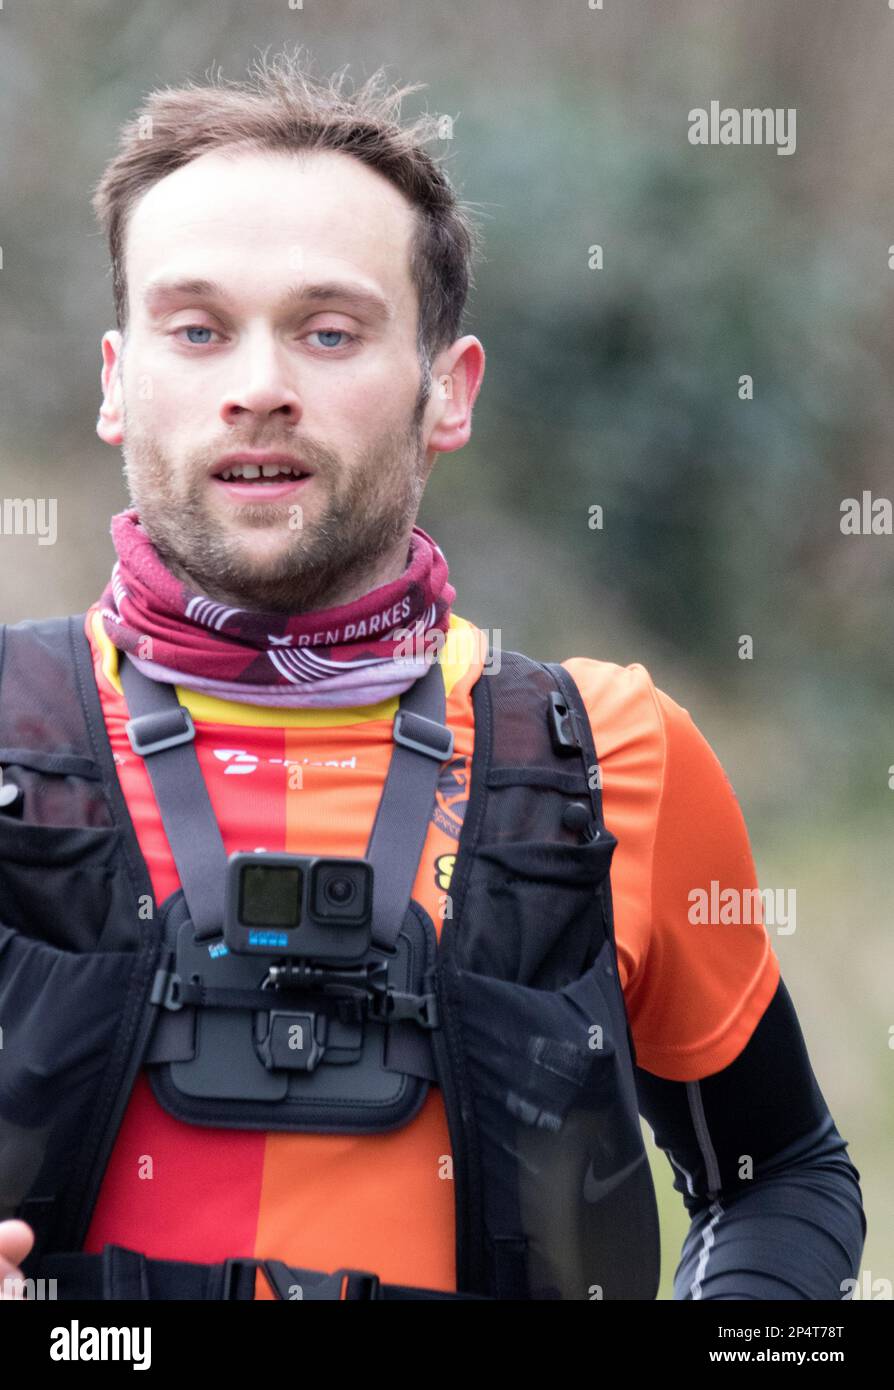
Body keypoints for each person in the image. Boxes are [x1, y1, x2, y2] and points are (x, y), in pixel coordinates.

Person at [0, 47, 865, 1301]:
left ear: (446, 392)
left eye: (330, 330)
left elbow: (780, 1173)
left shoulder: (611, 754)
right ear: (119, 384)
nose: (258, 389)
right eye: (197, 329)